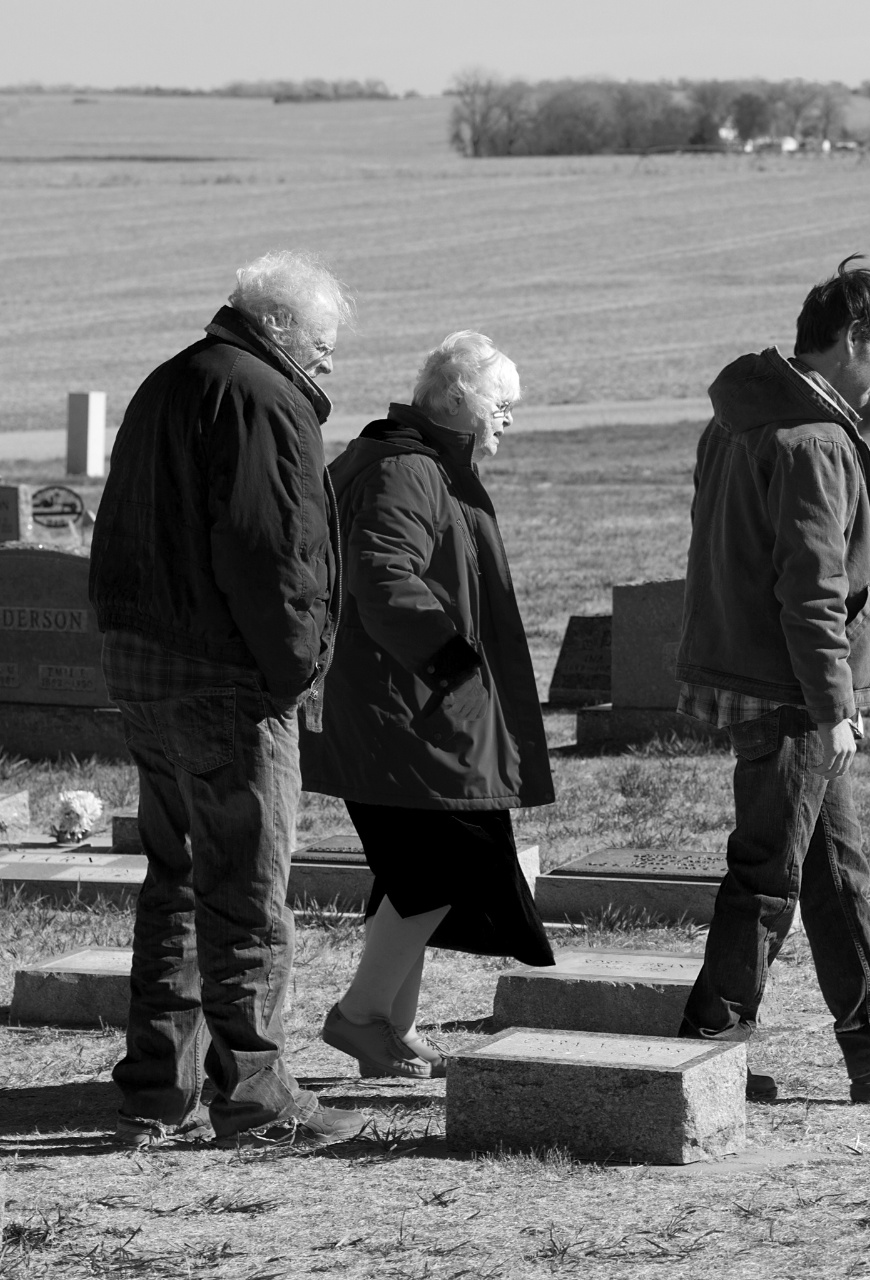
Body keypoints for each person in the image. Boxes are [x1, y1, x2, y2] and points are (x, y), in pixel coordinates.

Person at [673, 255, 870, 1103]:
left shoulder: (741, 418)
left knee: (833, 871)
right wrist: (834, 705)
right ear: (851, 338)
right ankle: (709, 1047)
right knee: (769, 873)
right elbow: (811, 589)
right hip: (792, 693)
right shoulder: (813, 440)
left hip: (762, 678)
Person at [88, 250, 365, 1149]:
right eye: (322, 343)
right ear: (280, 330)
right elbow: (271, 554)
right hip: (224, 679)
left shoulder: (171, 379)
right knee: (247, 890)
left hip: (145, 668)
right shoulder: (261, 396)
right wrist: (291, 673)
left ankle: (154, 1088)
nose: (329, 361)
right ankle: (255, 1096)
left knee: (174, 878)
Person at [302, 331, 556, 1078]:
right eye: (502, 405)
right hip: (413, 713)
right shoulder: (407, 469)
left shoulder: (412, 461)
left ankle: (387, 1027)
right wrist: (449, 656)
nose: (508, 419)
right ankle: (357, 1017)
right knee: (441, 870)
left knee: (418, 872)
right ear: (459, 402)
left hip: (416, 711)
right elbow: (382, 572)